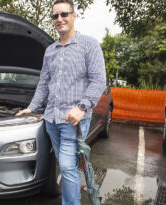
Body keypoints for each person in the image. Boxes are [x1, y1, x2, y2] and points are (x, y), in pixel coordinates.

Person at [16, 0, 106, 204]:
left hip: (73, 120)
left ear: (74, 16)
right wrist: (31, 107)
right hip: (51, 120)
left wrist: (82, 107)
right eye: (55, 16)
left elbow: (99, 80)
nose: (59, 19)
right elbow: (44, 83)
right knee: (67, 167)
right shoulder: (50, 51)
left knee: (66, 167)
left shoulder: (89, 45)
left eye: (64, 14)